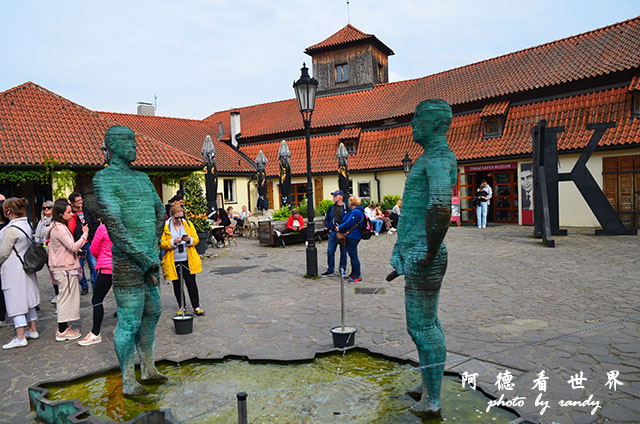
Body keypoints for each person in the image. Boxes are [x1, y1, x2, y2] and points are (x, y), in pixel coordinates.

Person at [389, 99, 457, 415]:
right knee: (429, 322)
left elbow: (441, 207)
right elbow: (415, 213)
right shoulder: (431, 158)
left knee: (421, 327)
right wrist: (399, 250)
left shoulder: (440, 159)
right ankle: (429, 384)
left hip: (425, 255)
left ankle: (432, 400)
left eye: (416, 118)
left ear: (433, 124)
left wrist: (428, 250)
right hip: (418, 252)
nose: (412, 125)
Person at [93, 125, 167, 397]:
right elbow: (114, 224)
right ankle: (127, 379)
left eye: (135, 141)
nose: (135, 146)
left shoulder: (143, 178)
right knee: (128, 320)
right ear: (113, 146)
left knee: (153, 311)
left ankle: (148, 367)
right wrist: (141, 256)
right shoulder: (104, 179)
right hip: (127, 262)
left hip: (147, 257)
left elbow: (160, 212)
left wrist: (151, 246)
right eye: (130, 142)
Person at [0, 198, 41, 349]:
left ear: (8, 211)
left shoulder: (11, 229)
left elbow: (3, 252)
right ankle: (33, 328)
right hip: (26, 266)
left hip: (13, 270)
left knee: (16, 300)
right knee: (28, 298)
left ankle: (20, 336)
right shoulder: (26, 224)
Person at [47, 198, 88, 342]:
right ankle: (62, 330)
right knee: (65, 299)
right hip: (65, 269)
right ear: (60, 214)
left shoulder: (57, 227)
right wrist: (85, 235)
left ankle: (65, 327)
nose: (72, 215)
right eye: (69, 212)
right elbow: (72, 246)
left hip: (64, 268)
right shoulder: (59, 229)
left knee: (66, 298)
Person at [161, 206, 204, 315]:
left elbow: (196, 239)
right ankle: (182, 306)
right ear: (171, 216)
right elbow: (161, 243)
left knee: (191, 283)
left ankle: (196, 306)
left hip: (188, 259)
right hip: (173, 260)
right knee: (177, 284)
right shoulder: (165, 227)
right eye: (177, 218)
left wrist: (189, 239)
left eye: (181, 217)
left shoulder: (188, 224)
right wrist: (172, 242)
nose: (179, 220)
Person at [78, 223, 113, 346]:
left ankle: (95, 332)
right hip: (122, 268)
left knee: (97, 299)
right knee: (123, 299)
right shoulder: (126, 225)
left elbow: (94, 249)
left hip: (107, 268)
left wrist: (103, 257)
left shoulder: (104, 228)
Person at [68, 192, 99, 295]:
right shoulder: (70, 214)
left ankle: (95, 285)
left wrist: (92, 236)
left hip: (89, 242)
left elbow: (95, 223)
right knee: (79, 267)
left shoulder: (87, 211)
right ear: (72, 203)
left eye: (81, 200)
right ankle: (84, 286)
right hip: (77, 244)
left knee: (93, 264)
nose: (81, 202)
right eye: (78, 201)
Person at [35, 201, 58, 303]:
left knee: (57, 272)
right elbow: (38, 237)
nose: (46, 210)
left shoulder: (56, 221)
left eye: (48, 208)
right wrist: (42, 246)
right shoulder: (42, 221)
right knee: (51, 274)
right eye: (44, 208)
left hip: (55, 251)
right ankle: (57, 293)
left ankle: (60, 293)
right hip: (45, 251)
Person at [338, 196, 365, 283]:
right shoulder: (355, 211)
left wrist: (339, 227)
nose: (348, 204)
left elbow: (348, 223)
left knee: (353, 256)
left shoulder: (356, 212)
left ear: (352, 203)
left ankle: (357, 275)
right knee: (352, 255)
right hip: (352, 236)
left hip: (353, 236)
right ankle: (353, 273)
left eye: (349, 202)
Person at [321, 190, 348, 277]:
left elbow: (350, 219)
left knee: (343, 252)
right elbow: (327, 218)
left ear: (341, 197)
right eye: (334, 196)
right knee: (330, 251)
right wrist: (329, 228)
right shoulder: (331, 208)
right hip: (333, 232)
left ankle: (342, 269)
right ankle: (330, 270)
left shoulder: (347, 207)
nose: (334, 197)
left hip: (343, 233)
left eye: (336, 196)